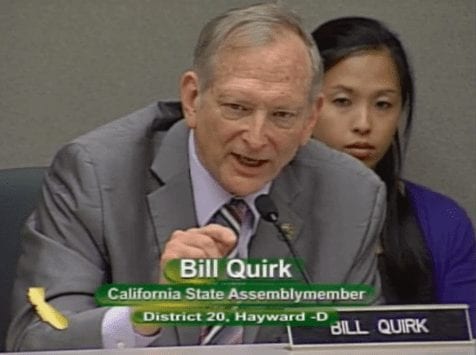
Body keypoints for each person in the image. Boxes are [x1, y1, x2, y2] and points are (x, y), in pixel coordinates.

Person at [7, 4, 386, 351]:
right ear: (192, 99)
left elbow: (364, 343)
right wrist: (147, 312)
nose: (256, 138)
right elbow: (38, 340)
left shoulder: (351, 196)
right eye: (237, 108)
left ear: (310, 118)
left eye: (282, 115)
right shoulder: (96, 175)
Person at [311, 17, 476, 331]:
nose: (364, 123)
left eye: (383, 104)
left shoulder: (442, 221)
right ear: (304, 105)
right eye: (342, 101)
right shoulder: (255, 214)